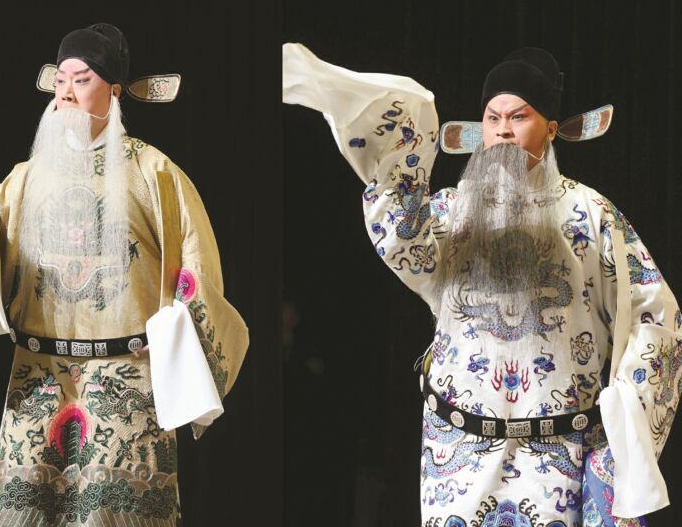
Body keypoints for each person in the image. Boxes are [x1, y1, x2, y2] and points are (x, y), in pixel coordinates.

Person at [283, 43, 680, 527]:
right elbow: (401, 240)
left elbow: (655, 317)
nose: (504, 131)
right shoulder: (452, 213)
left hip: (560, 457)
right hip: (458, 456)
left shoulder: (590, 215)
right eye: (493, 119)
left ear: (550, 129)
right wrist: (404, 151)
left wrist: (623, 436)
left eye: (519, 117)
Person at [0, 23, 249, 526]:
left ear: (115, 91)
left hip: (126, 379)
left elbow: (196, 268)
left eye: (81, 80)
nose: (67, 94)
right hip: (38, 377)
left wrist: (175, 339)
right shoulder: (27, 177)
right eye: (60, 82)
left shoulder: (153, 172)